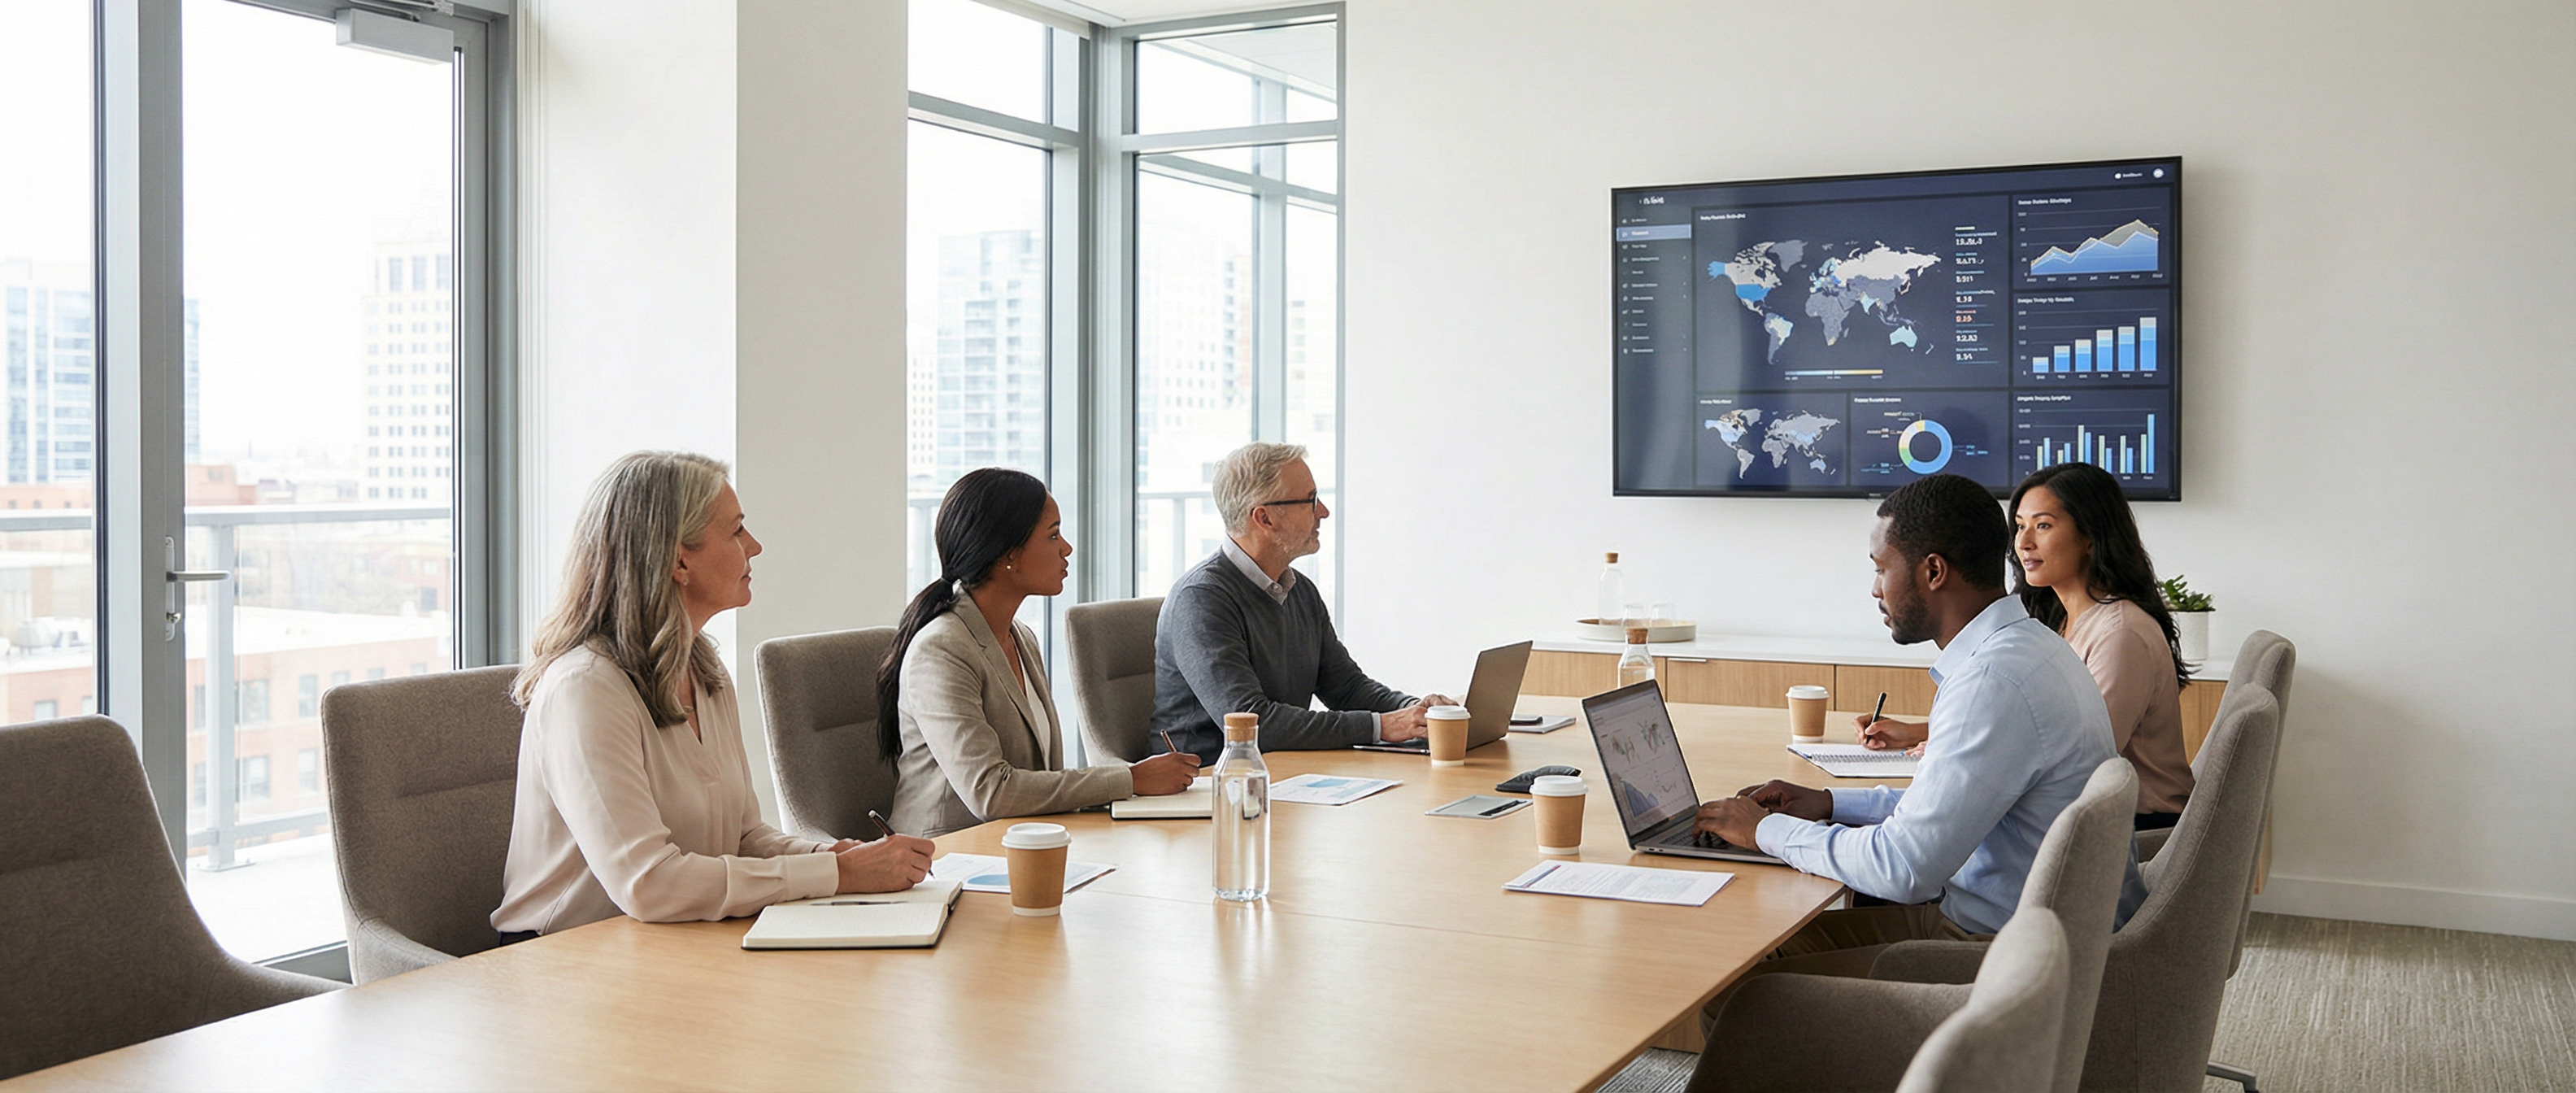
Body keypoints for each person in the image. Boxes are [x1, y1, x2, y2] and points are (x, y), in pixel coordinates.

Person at [1692, 472, 2145, 981]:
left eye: (1881, 568)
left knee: (1737, 980)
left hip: (2003, 960)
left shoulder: (1991, 681)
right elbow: (1950, 807)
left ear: (1933, 571)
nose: (1874, 589)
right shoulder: (2030, 648)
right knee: (1765, 943)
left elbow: (1904, 867)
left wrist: (1764, 830)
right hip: (2034, 933)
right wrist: (1829, 803)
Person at [493, 451, 933, 938]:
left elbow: (744, 838)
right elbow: (649, 882)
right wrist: (838, 875)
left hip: (674, 941)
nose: (756, 546)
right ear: (680, 560)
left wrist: (834, 856)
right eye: (737, 531)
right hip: (561, 963)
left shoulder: (705, 669)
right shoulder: (586, 688)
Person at [1856, 462, 2195, 829]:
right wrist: (1921, 732)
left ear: (2091, 536)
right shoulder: (2060, 620)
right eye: (2019, 526)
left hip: (2133, 829)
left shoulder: (2120, 633)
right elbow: (2045, 730)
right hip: (2089, 816)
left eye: (2043, 525)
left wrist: (1957, 752)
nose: (2024, 542)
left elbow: (2076, 754)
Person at [885, 469, 1200, 837]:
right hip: (948, 855)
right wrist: (1129, 778)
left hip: (1022, 841)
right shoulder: (941, 651)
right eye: (1053, 534)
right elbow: (991, 792)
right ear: (1010, 555)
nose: (1066, 548)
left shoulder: (1021, 637)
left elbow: (1040, 778)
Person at [1151, 442, 1453, 763]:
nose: (1323, 511)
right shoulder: (1201, 600)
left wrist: (1417, 712)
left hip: (1283, 777)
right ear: (1264, 518)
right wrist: (1382, 726)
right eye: (1310, 500)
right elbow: (1255, 725)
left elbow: (1347, 688)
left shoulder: (1299, 589)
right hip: (1210, 788)